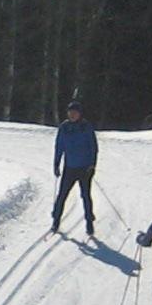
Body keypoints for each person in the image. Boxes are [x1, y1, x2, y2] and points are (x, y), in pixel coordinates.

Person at [50, 101, 99, 237]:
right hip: (69, 168)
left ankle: (89, 222)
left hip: (84, 168)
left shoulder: (86, 127)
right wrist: (56, 164)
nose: (72, 115)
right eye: (70, 112)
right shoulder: (64, 128)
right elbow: (59, 147)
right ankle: (56, 220)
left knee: (85, 196)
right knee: (62, 196)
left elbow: (93, 147)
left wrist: (92, 164)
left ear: (79, 114)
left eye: (75, 112)